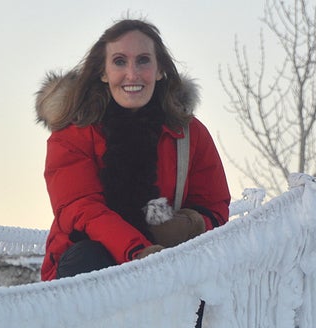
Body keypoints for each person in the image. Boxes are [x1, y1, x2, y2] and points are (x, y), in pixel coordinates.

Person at [35, 19, 230, 281]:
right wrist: (140, 253)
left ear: (160, 69)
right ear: (103, 72)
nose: (132, 74)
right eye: (119, 61)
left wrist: (188, 225)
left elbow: (215, 209)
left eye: (143, 61)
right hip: (91, 263)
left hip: (169, 267)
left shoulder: (189, 133)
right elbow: (81, 208)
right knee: (88, 258)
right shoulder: (72, 134)